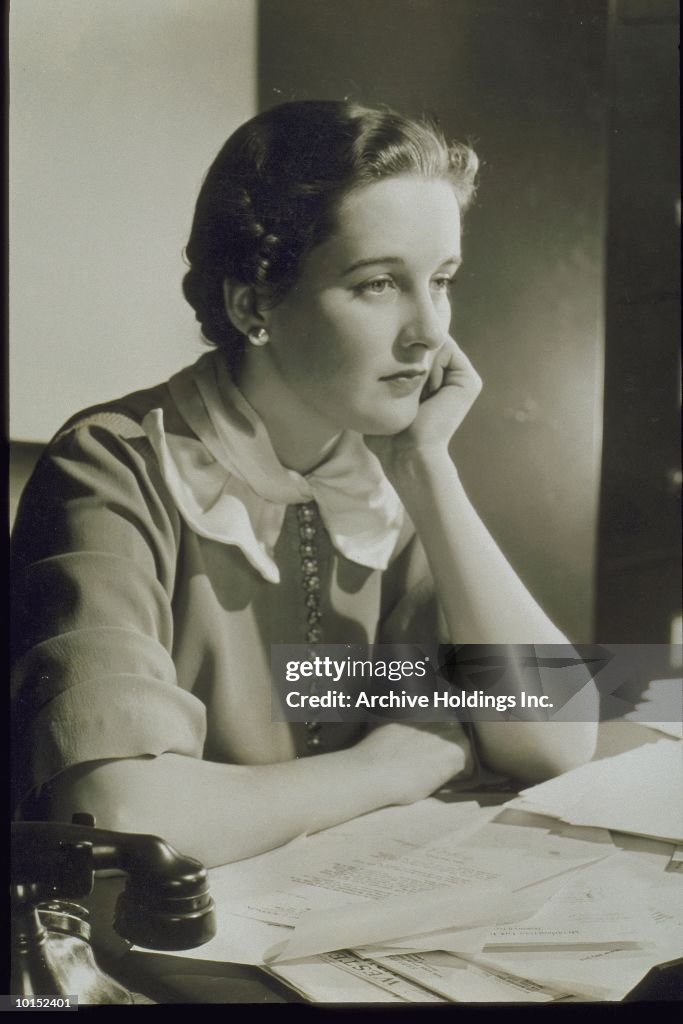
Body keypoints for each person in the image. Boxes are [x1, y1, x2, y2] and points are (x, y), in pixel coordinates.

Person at [11, 101, 598, 868]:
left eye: (442, 280)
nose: (429, 331)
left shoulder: (382, 471)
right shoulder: (111, 465)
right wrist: (384, 768)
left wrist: (429, 470)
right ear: (253, 304)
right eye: (379, 284)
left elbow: (557, 739)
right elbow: (121, 812)